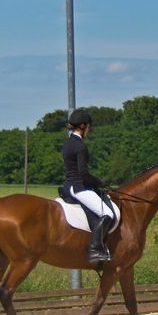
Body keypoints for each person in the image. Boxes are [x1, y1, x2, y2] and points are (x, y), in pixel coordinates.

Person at [61, 109, 115, 263]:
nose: (89, 130)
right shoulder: (79, 146)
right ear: (83, 126)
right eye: (89, 127)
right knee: (107, 214)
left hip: (70, 185)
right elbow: (83, 174)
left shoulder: (68, 143)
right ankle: (94, 250)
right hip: (79, 187)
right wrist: (99, 183)